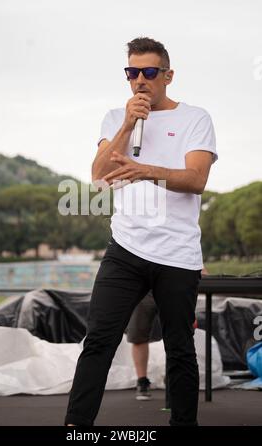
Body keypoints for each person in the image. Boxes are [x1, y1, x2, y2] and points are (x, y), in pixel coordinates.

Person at [65, 37, 218, 427]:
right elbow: (99, 177)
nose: (140, 81)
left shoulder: (195, 118)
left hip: (177, 254)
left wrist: (147, 171)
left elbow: (197, 179)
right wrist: (130, 123)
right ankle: (75, 429)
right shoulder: (116, 117)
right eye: (132, 73)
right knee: (98, 341)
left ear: (168, 75)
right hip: (126, 249)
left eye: (149, 72)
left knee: (181, 349)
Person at [127, 268, 209, 401]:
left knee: (178, 334)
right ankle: (142, 380)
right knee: (138, 336)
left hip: (172, 283)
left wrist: (199, 267)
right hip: (143, 285)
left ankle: (174, 377)